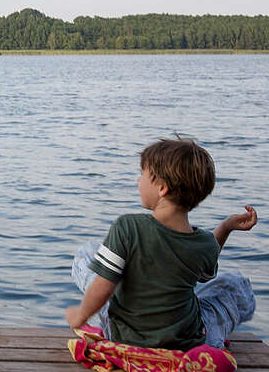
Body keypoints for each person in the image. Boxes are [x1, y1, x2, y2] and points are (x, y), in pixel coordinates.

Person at [66, 138, 258, 350]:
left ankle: (101, 320)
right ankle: (212, 339)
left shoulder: (128, 227)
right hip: (184, 341)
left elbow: (104, 286)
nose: (138, 181)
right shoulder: (205, 243)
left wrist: (80, 315)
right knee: (236, 284)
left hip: (125, 337)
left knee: (88, 254)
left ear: (162, 189)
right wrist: (225, 227)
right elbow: (204, 277)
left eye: (143, 175)